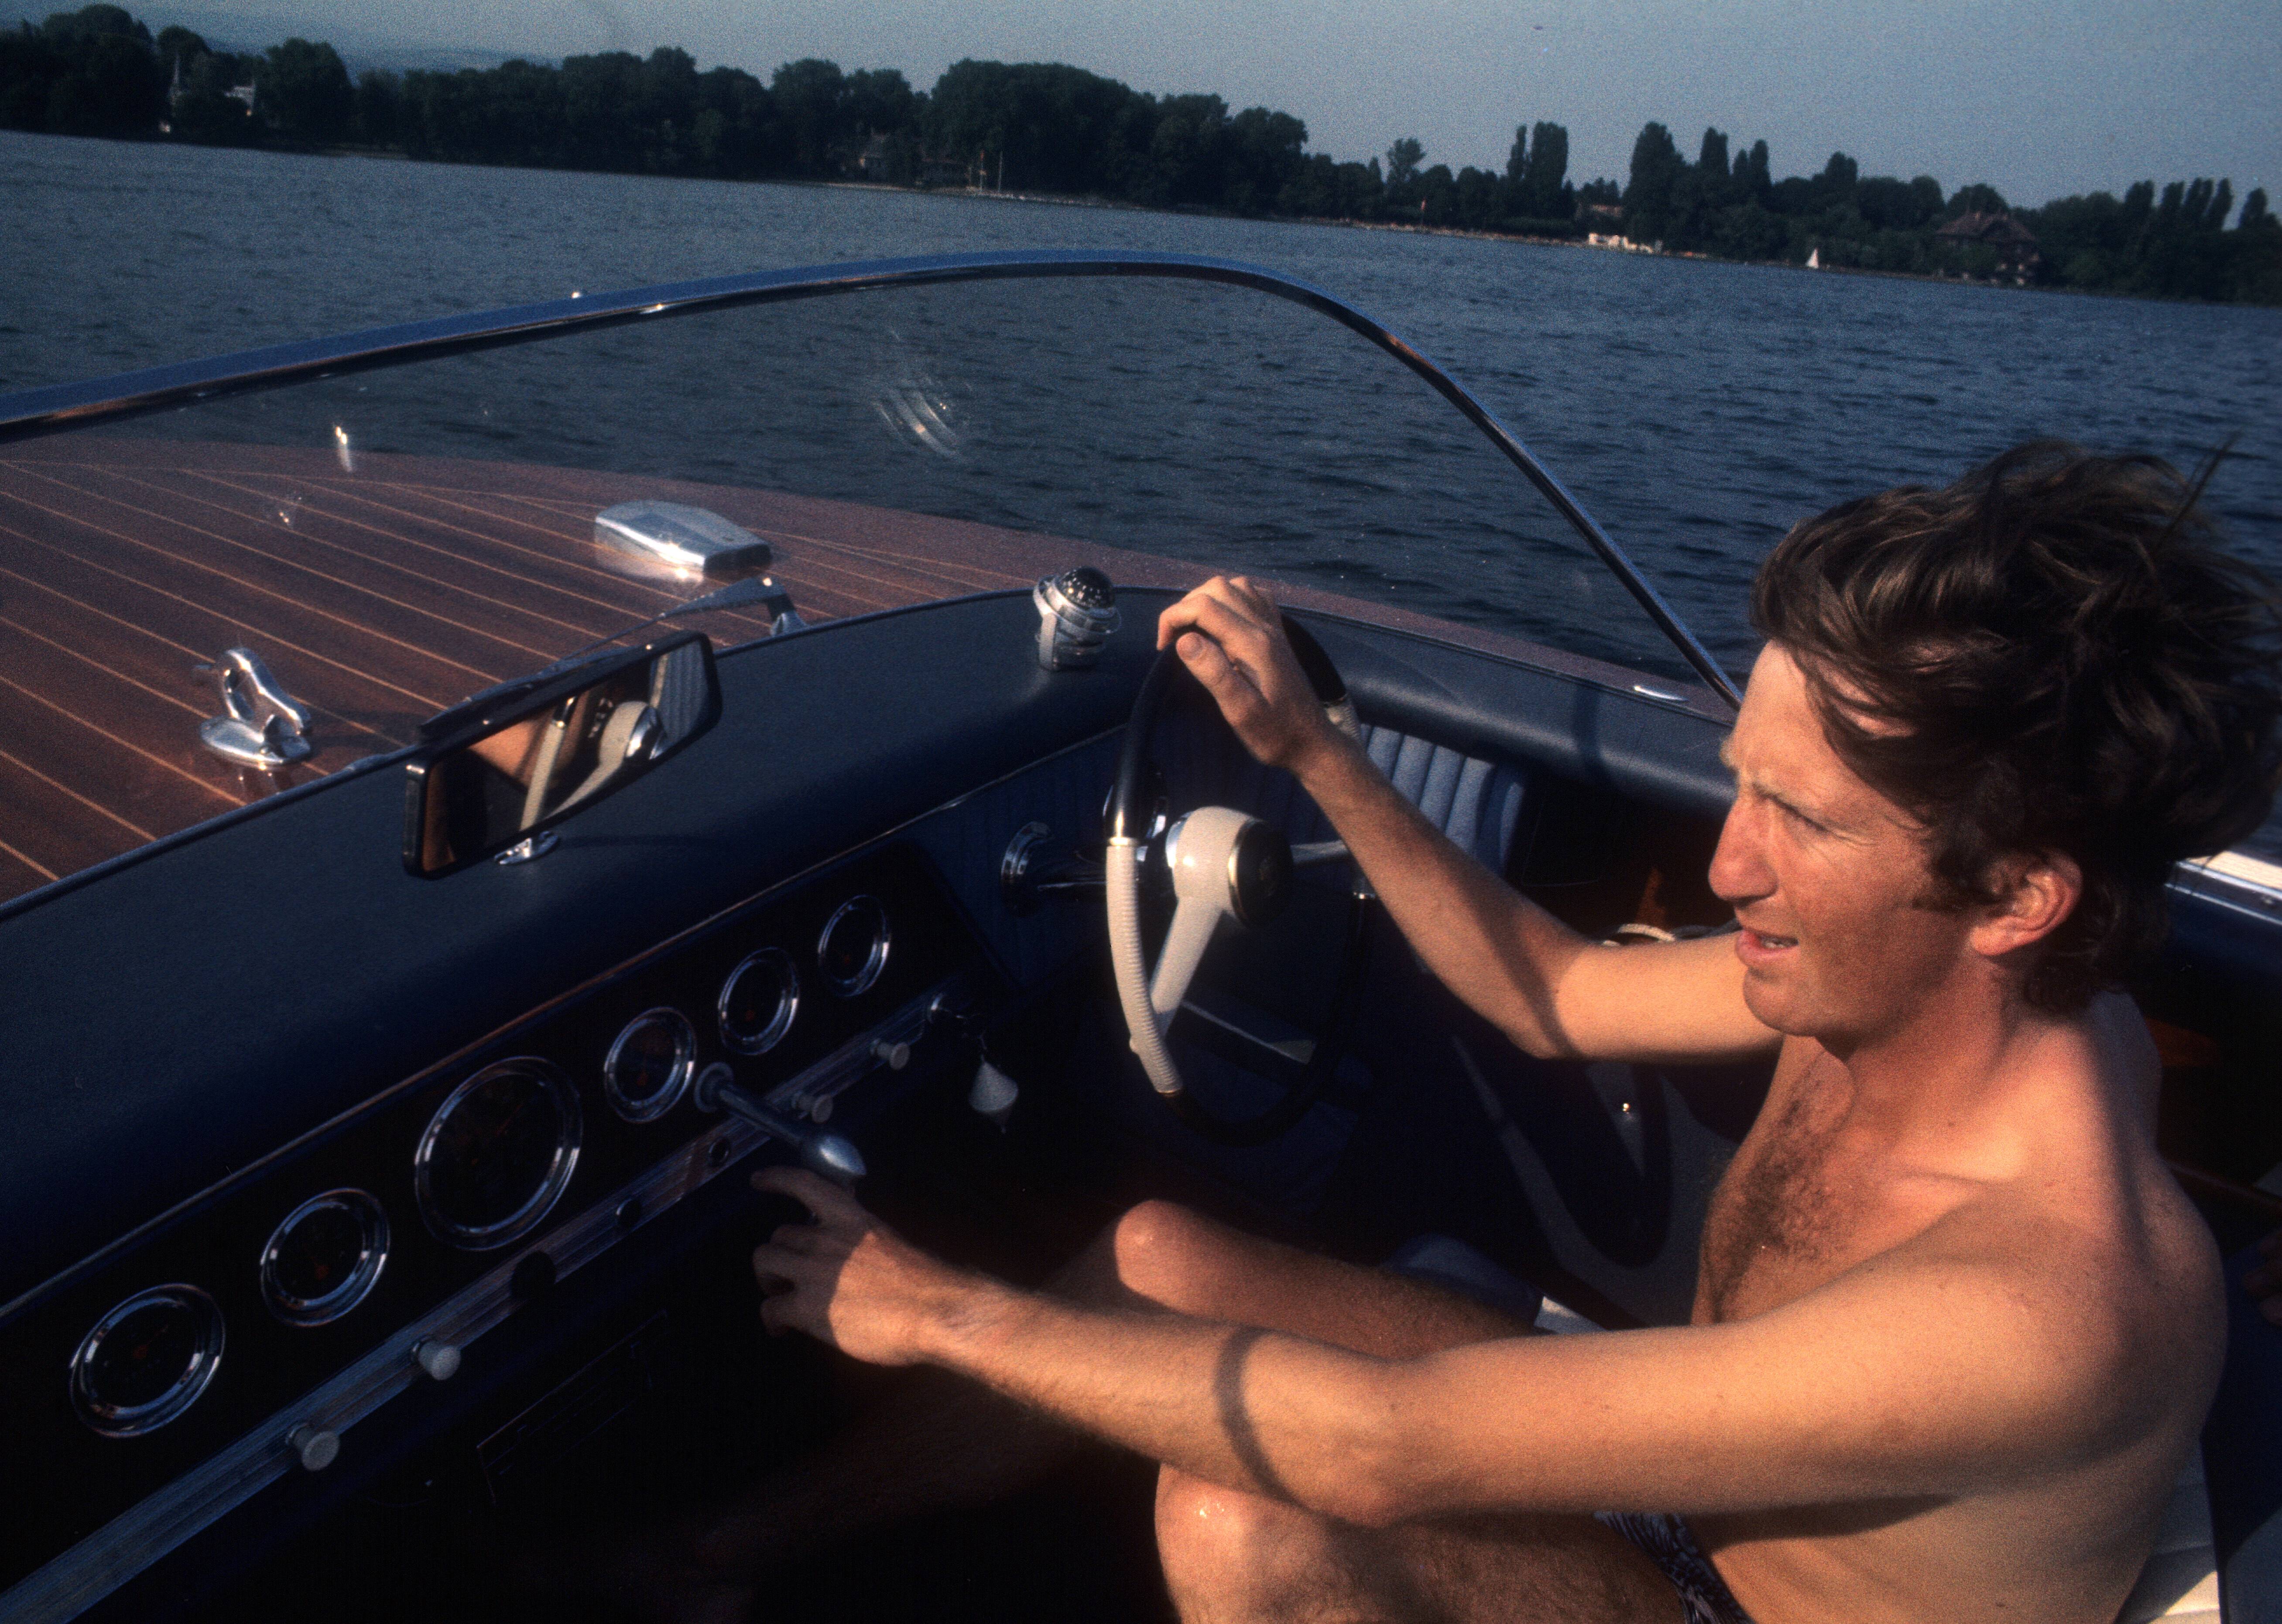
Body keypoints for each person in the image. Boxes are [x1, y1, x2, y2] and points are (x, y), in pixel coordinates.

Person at [739, 443, 2282, 1624]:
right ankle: (708, 1559)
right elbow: (1555, 991)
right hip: (1704, 1506)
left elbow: (1387, 1450)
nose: (1730, 862)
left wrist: (933, 1308)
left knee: (1244, 1518)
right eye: (1741, 781)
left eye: (1799, 819)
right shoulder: (1900, 985)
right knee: (1154, 1256)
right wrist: (1312, 753)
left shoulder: (2049, 1304)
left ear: (2017, 893)